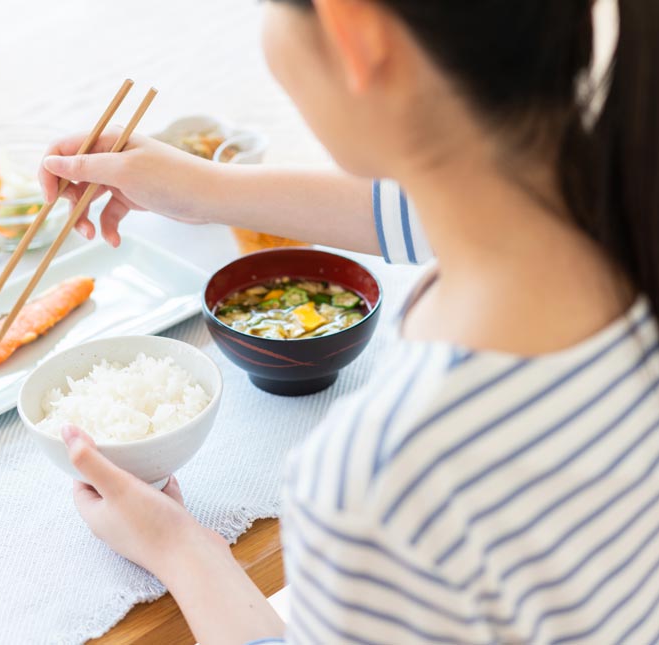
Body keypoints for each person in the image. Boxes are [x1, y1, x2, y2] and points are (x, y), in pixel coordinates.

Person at [39, 0, 659, 642]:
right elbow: (428, 209)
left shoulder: (379, 478)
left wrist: (181, 551)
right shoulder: (627, 203)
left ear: (355, 35)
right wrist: (208, 189)